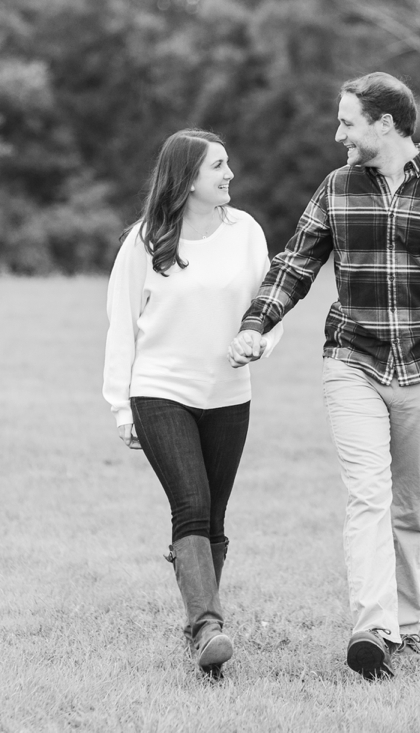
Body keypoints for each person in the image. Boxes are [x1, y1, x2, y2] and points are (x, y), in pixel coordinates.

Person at [229, 72, 420, 681]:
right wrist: (256, 323)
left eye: (348, 122)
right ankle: (371, 628)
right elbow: (295, 263)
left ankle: (405, 627)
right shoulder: (337, 187)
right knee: (368, 495)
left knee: (409, 505)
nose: (338, 134)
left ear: (385, 123)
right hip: (351, 359)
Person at [103, 129, 280, 679]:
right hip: (160, 390)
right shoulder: (144, 240)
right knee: (192, 504)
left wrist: (259, 342)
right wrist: (121, 405)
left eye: (227, 165)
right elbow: (121, 327)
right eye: (218, 167)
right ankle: (207, 625)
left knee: (216, 517)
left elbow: (267, 305)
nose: (229, 175)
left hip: (228, 394)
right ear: (187, 178)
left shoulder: (245, 231)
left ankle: (201, 628)